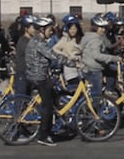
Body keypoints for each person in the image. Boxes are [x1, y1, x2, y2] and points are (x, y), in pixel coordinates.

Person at [26, 16, 75, 147]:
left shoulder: (37, 41)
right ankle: (43, 135)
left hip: (41, 75)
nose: (51, 32)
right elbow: (52, 55)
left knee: (55, 97)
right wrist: (71, 62)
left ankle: (51, 128)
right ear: (42, 30)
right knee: (47, 106)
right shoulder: (39, 43)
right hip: (39, 77)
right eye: (49, 29)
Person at [80, 14, 121, 97]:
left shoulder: (88, 36)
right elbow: (97, 55)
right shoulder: (96, 39)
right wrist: (114, 58)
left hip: (87, 67)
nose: (103, 30)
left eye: (104, 28)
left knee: (112, 70)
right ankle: (98, 105)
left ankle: (108, 90)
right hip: (94, 69)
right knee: (96, 95)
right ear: (95, 28)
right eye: (101, 28)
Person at [52, 16, 83, 87]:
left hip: (80, 68)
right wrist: (66, 55)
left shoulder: (80, 39)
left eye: (74, 29)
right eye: (71, 29)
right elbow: (54, 49)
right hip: (70, 69)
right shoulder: (64, 39)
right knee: (74, 88)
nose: (73, 31)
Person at [13, 15, 35, 95]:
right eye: (33, 28)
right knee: (20, 100)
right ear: (26, 29)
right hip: (22, 73)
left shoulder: (31, 40)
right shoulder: (23, 41)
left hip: (29, 74)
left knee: (28, 100)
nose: (35, 30)